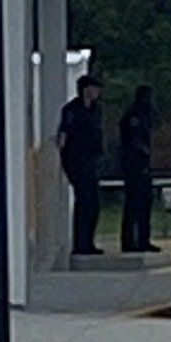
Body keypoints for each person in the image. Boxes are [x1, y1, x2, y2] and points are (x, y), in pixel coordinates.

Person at [56, 73, 104, 258]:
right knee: (84, 200)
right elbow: (64, 135)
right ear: (86, 89)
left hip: (92, 159)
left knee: (93, 202)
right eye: (94, 88)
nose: (97, 92)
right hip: (77, 160)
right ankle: (80, 243)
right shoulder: (72, 110)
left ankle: (89, 241)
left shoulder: (96, 110)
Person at [119, 84, 158, 254]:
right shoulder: (134, 115)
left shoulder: (145, 114)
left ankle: (143, 240)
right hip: (133, 165)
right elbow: (132, 139)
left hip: (143, 164)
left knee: (145, 204)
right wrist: (143, 152)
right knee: (133, 204)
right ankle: (129, 242)